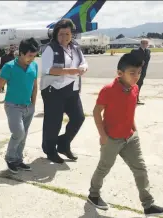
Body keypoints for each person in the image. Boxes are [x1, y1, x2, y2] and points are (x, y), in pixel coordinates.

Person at [87, 53, 163, 216]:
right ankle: (93, 195)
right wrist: (102, 135)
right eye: (132, 73)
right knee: (104, 168)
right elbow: (96, 111)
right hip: (112, 139)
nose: (136, 77)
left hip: (130, 138)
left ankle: (148, 205)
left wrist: (134, 129)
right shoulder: (108, 90)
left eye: (139, 73)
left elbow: (130, 110)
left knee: (140, 169)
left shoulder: (135, 88)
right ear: (120, 73)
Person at [40, 18, 87, 164]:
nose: (64, 37)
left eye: (67, 34)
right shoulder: (50, 48)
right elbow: (49, 70)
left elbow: (83, 61)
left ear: (71, 34)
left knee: (79, 118)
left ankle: (63, 143)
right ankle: (50, 150)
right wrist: (72, 70)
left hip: (71, 88)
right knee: (54, 122)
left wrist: (84, 67)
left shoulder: (75, 47)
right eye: (61, 34)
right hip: (53, 90)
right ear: (56, 34)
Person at [0, 38, 39, 174]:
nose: (32, 59)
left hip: (28, 106)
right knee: (18, 132)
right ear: (21, 53)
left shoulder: (34, 66)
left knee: (24, 135)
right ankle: (10, 157)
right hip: (13, 106)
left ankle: (18, 159)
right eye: (29, 56)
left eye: (34, 56)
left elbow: (34, 86)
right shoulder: (9, 66)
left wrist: (33, 103)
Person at [131, 39, 151, 105]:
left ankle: (136, 99)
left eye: (146, 43)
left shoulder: (148, 51)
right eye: (143, 43)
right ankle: (132, 99)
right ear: (141, 44)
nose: (145, 44)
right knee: (133, 85)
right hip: (136, 71)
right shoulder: (135, 51)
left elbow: (147, 61)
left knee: (139, 85)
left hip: (143, 72)